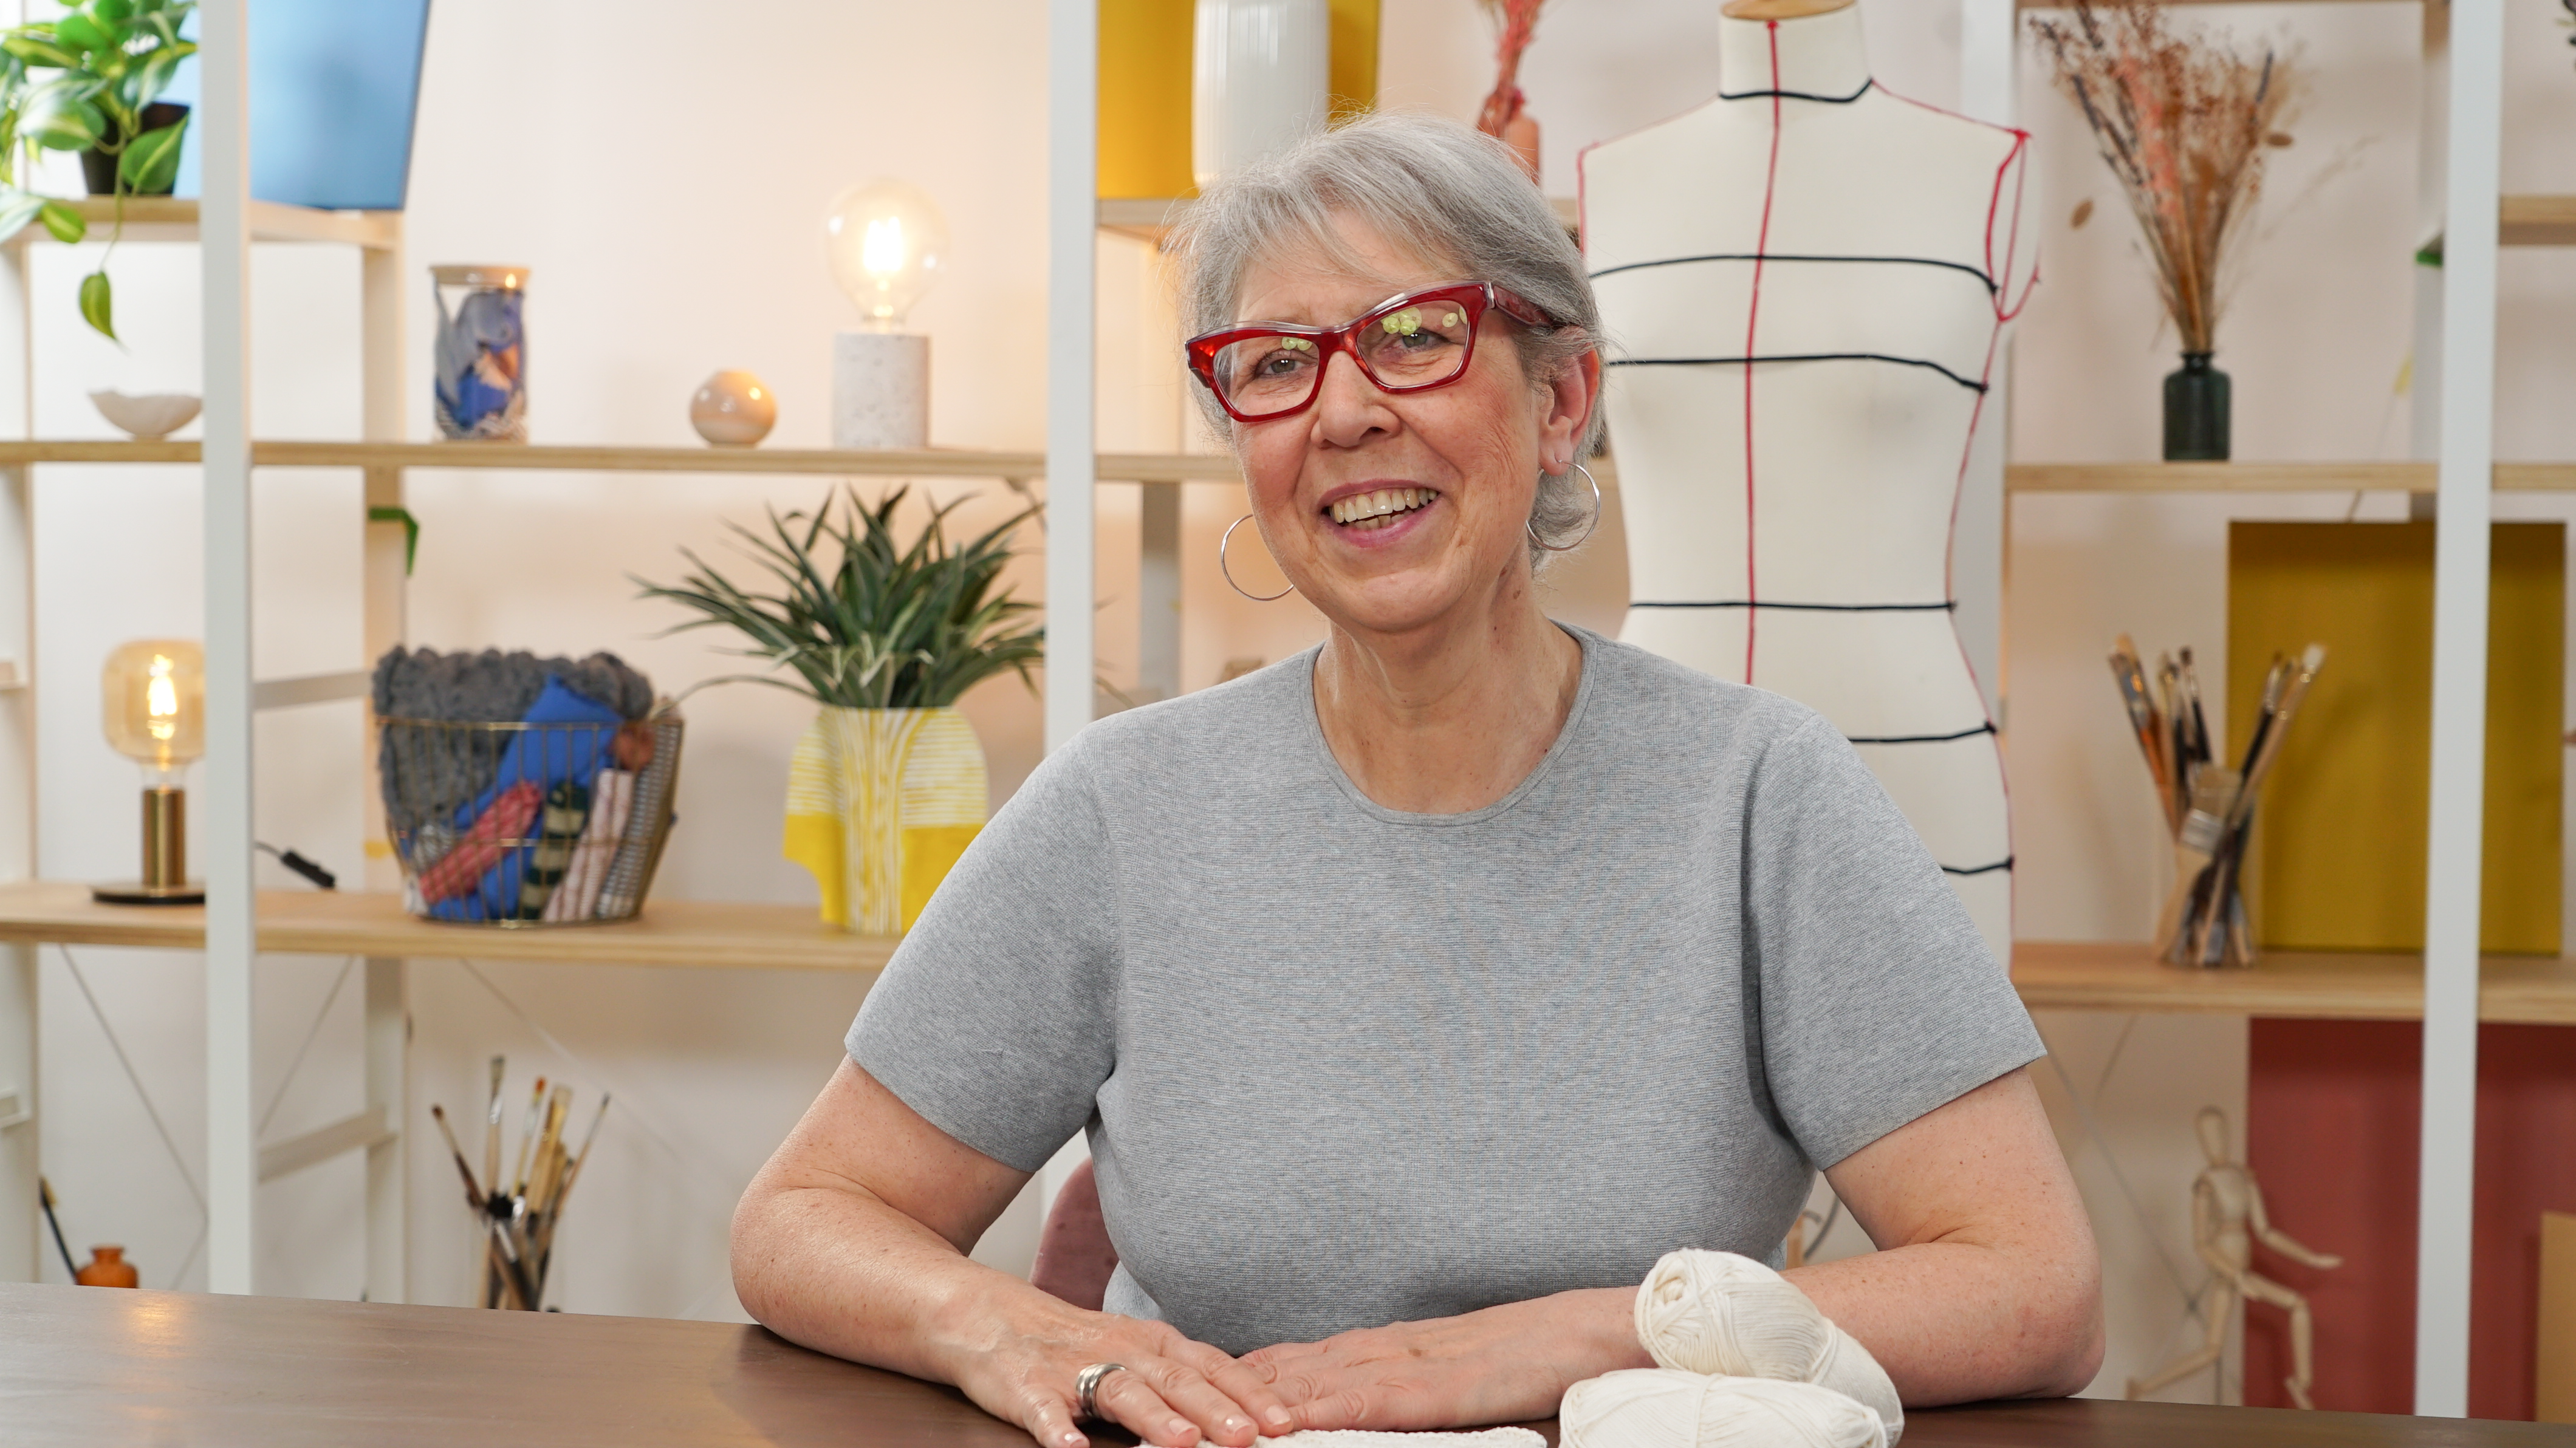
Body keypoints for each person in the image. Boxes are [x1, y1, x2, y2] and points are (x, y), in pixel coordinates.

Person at [731, 113, 2103, 1448]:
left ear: (1559, 399)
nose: (1339, 410)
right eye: (1273, 363)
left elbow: (2033, 1285)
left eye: (1413, 337)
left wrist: (1580, 1335)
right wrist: (996, 1324)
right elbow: (803, 1216)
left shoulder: (1760, 793)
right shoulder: (1122, 804)